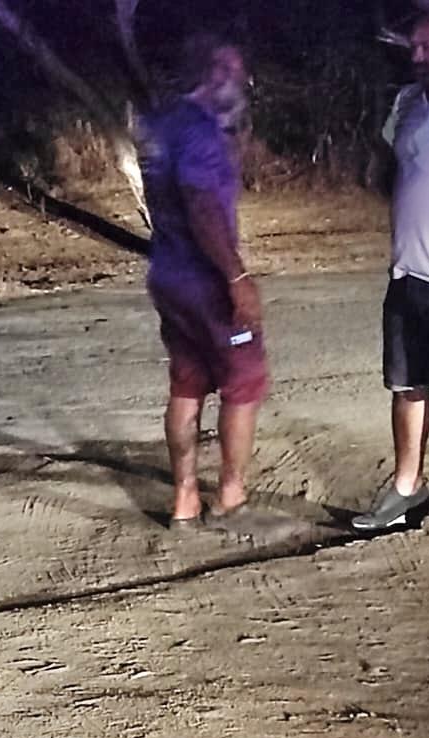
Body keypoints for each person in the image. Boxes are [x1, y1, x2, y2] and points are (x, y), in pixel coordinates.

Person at [137, 35, 270, 533]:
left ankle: (185, 498)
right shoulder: (200, 132)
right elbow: (201, 205)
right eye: (234, 72)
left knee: (187, 382)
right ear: (212, 74)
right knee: (243, 380)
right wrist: (236, 277)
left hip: (167, 273)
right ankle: (230, 495)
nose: (242, 82)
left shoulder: (161, 124)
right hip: (205, 279)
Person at [353, 5, 429, 532]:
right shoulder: (407, 102)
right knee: (406, 384)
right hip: (406, 272)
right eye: (414, 46)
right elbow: (390, 166)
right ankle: (407, 487)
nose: (416, 56)